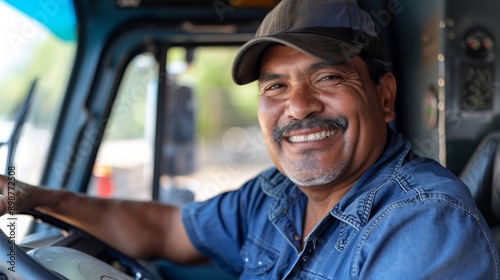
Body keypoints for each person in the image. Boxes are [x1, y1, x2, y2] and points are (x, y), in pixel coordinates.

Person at [1, 0, 499, 279]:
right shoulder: (276, 195)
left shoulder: (424, 222)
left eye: (328, 78)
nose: (298, 106)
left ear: (384, 97)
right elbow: (167, 230)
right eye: (275, 86)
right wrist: (32, 197)